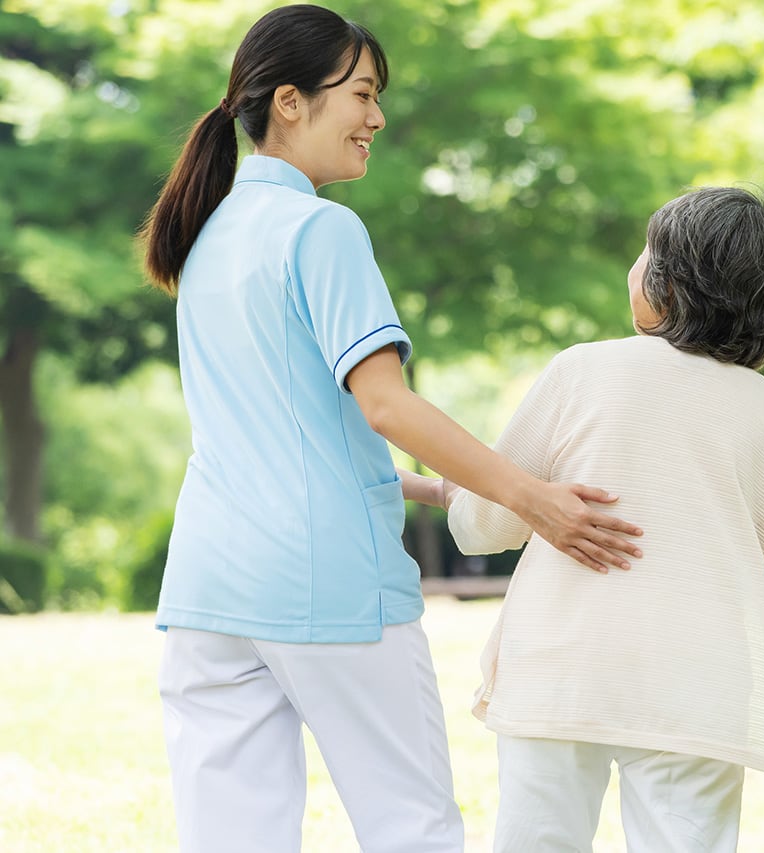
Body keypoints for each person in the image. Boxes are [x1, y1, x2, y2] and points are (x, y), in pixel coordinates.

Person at [138, 6, 641, 852]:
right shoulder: (321, 228)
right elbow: (385, 405)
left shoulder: (205, 235)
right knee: (414, 829)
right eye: (363, 94)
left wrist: (429, 485)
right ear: (290, 101)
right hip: (328, 585)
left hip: (209, 593)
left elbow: (279, 427)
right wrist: (536, 499)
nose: (377, 118)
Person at [439, 186, 764, 852]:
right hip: (698, 688)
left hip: (559, 673)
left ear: (665, 284)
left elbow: (484, 523)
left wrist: (453, 495)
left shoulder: (580, 373)